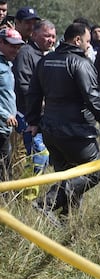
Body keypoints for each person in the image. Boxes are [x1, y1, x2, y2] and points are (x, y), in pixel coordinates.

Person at [26, 22, 100, 220]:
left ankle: (69, 222)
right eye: (87, 41)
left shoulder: (46, 61)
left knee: (68, 176)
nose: (88, 45)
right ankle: (45, 204)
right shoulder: (81, 63)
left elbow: (33, 93)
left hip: (50, 131)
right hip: (77, 133)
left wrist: (33, 121)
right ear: (77, 40)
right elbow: (92, 97)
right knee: (92, 174)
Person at [13, 19, 55, 190]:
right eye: (46, 36)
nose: (50, 40)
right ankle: (26, 194)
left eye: (53, 36)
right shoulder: (26, 53)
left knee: (42, 157)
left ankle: (32, 193)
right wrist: (42, 102)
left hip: (43, 116)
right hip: (25, 113)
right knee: (38, 154)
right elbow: (24, 85)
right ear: (35, 35)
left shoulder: (49, 55)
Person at [0, 27, 23, 182]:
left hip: (6, 128)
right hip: (1, 125)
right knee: (4, 170)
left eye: (17, 46)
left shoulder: (7, 64)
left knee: (6, 168)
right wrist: (4, 114)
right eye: (11, 46)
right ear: (1, 43)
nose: (15, 50)